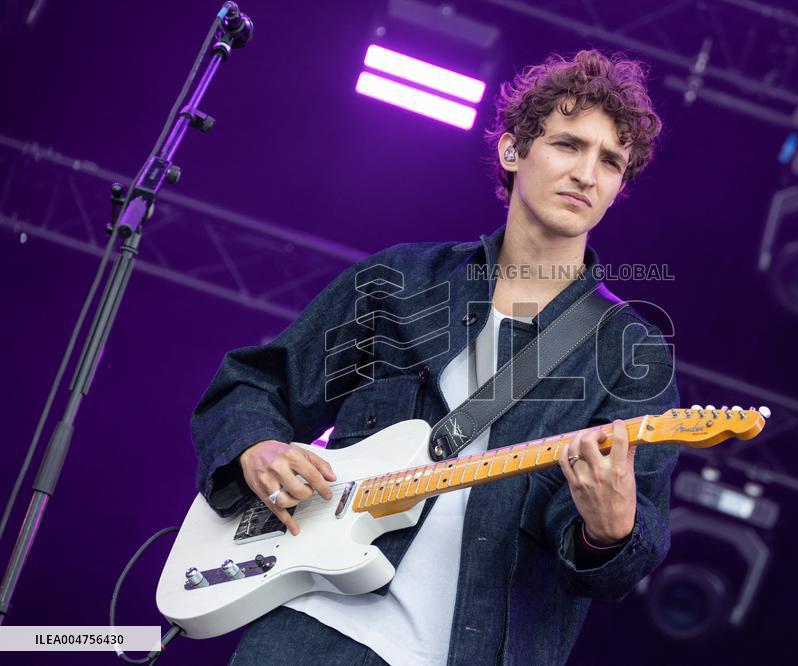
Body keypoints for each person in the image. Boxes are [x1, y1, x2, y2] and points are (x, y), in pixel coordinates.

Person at [192, 49, 679, 665]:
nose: (587, 173)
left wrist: (609, 534)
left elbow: (619, 563)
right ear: (512, 151)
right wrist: (256, 450)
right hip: (307, 635)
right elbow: (252, 385)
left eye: (610, 161)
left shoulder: (631, 355)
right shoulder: (402, 282)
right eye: (567, 145)